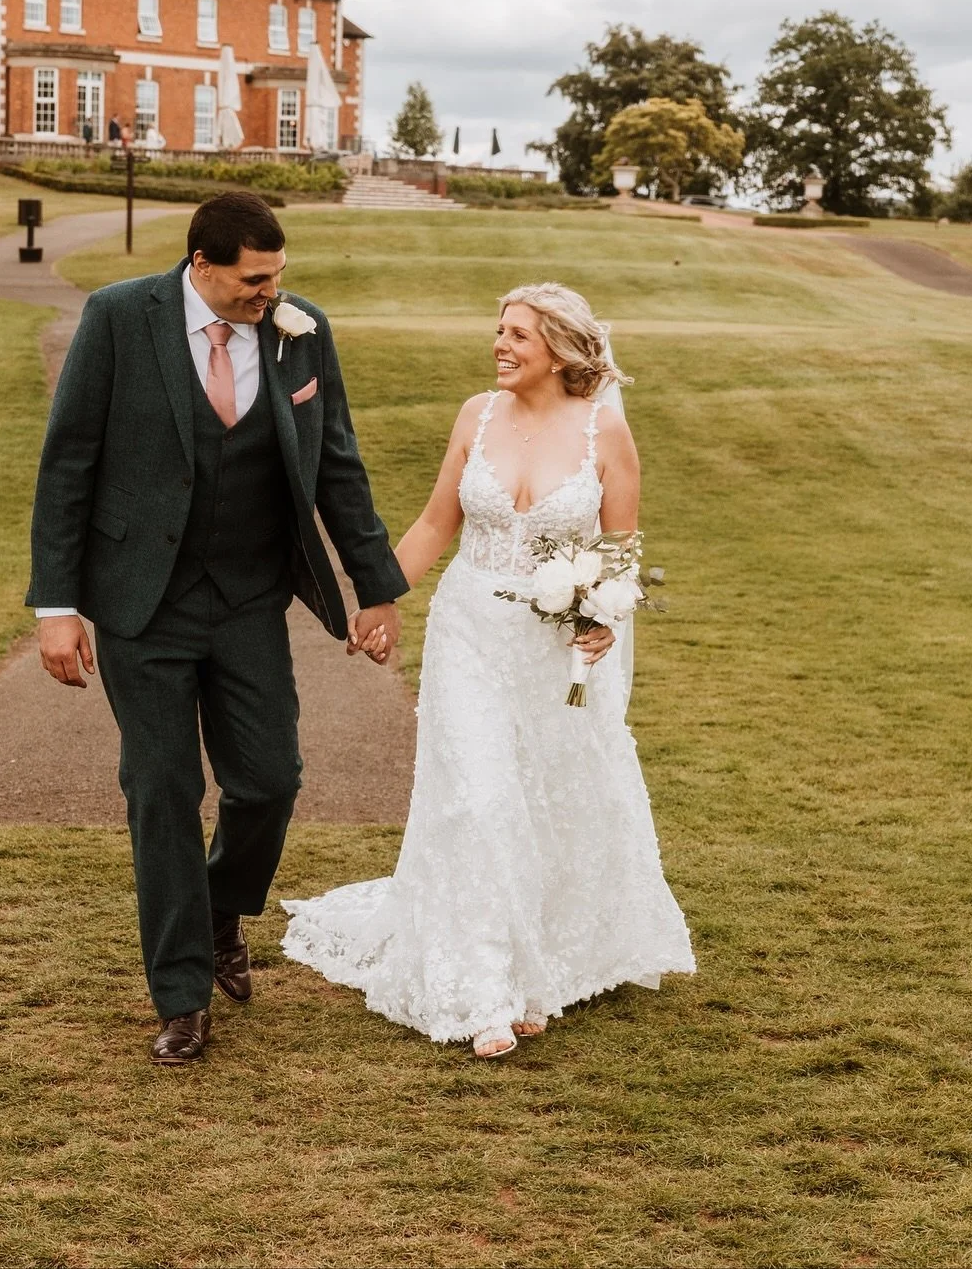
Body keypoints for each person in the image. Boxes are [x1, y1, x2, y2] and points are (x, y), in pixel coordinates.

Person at [28, 190, 407, 1066]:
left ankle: (221, 905)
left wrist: (375, 587)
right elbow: (68, 461)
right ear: (201, 264)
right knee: (159, 788)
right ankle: (183, 996)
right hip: (139, 604)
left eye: (277, 278)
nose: (269, 293)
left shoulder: (297, 332)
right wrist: (57, 606)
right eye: (253, 278)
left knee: (271, 777)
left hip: (246, 598)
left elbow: (337, 463)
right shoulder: (121, 317)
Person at [282, 282, 694, 1057]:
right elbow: (440, 518)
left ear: (561, 351)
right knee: (478, 795)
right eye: (498, 331)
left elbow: (619, 548)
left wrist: (602, 613)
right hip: (469, 631)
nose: (500, 345)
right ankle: (484, 989)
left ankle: (541, 956)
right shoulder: (477, 415)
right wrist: (377, 597)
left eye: (518, 336)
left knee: (547, 798)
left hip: (552, 650)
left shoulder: (605, 431)